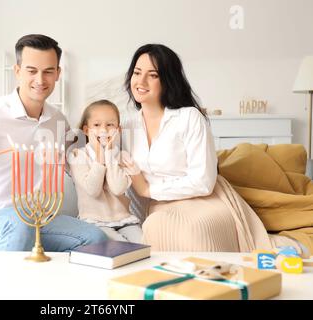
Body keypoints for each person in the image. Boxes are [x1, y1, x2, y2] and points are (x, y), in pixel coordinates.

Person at [120, 43, 310, 255]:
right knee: (156, 225)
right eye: (137, 72)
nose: (141, 81)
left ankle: (290, 249)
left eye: (152, 75)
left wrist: (149, 190)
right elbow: (120, 178)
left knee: (190, 229)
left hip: (205, 201)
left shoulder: (189, 117)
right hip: (160, 208)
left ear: (167, 80)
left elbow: (203, 182)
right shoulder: (126, 126)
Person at [0, 34, 107, 252]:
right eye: (32, 71)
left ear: (58, 74)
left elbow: (77, 159)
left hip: (39, 218)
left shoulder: (57, 120)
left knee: (96, 238)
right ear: (17, 71)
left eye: (48, 72)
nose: (40, 80)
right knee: (19, 224)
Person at [68, 100, 143, 243]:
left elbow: (117, 188)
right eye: (96, 125)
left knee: (143, 245)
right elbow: (93, 190)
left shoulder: (123, 156)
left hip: (125, 220)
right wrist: (100, 158)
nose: (104, 130)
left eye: (110, 125)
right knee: (121, 247)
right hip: (94, 222)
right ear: (86, 130)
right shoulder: (78, 156)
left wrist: (108, 154)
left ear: (118, 130)